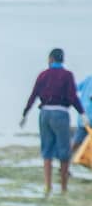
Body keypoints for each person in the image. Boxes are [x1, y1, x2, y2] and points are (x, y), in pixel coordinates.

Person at [20, 48, 88, 194]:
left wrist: (25, 113)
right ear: (62, 60)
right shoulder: (67, 75)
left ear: (50, 59)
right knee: (64, 152)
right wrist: (82, 113)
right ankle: (63, 187)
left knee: (47, 150)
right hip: (60, 113)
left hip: (44, 113)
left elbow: (34, 95)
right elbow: (72, 97)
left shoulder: (43, 75)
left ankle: (47, 185)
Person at [70, 73, 92, 152]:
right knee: (77, 142)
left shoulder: (88, 78)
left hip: (84, 117)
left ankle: (65, 161)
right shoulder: (89, 79)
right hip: (88, 118)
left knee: (76, 142)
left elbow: (74, 88)